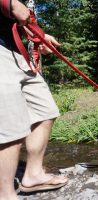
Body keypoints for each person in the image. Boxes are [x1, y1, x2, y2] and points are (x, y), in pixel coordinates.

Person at [0, 0, 68, 199]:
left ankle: (33, 175)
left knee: (45, 111)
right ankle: (5, 194)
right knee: (10, 125)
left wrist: (39, 36)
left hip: (17, 52)